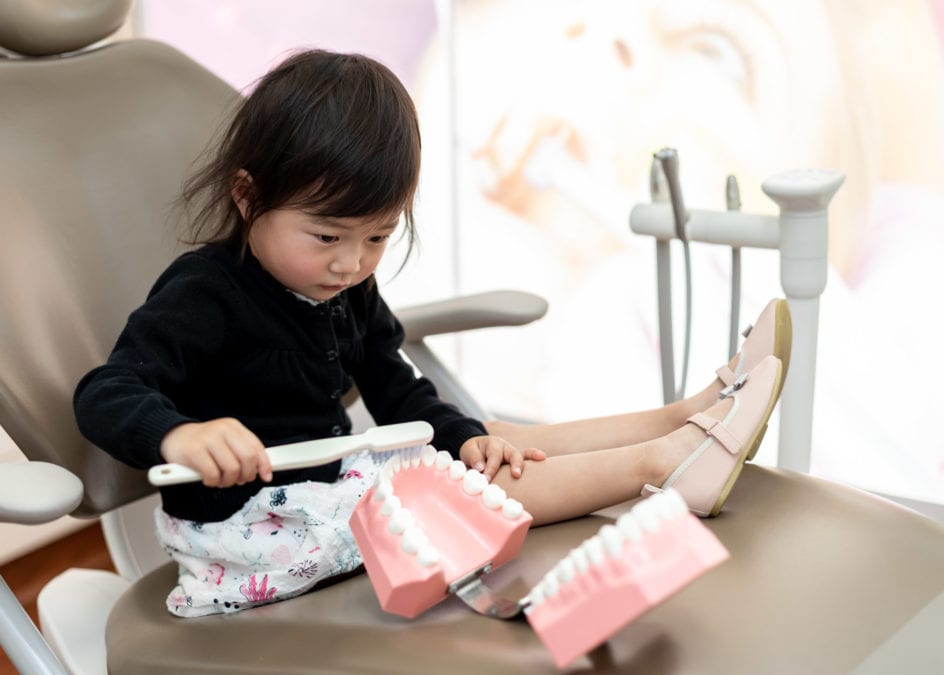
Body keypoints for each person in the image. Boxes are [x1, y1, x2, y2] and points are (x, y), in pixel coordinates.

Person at [73, 49, 788, 618]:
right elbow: (107, 391)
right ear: (247, 196)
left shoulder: (343, 287)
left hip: (321, 493)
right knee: (453, 495)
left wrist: (459, 435)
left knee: (478, 439)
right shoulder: (205, 292)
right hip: (249, 536)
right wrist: (179, 436)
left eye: (379, 236)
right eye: (326, 235)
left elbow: (395, 387)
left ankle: (684, 416)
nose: (351, 262)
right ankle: (663, 466)